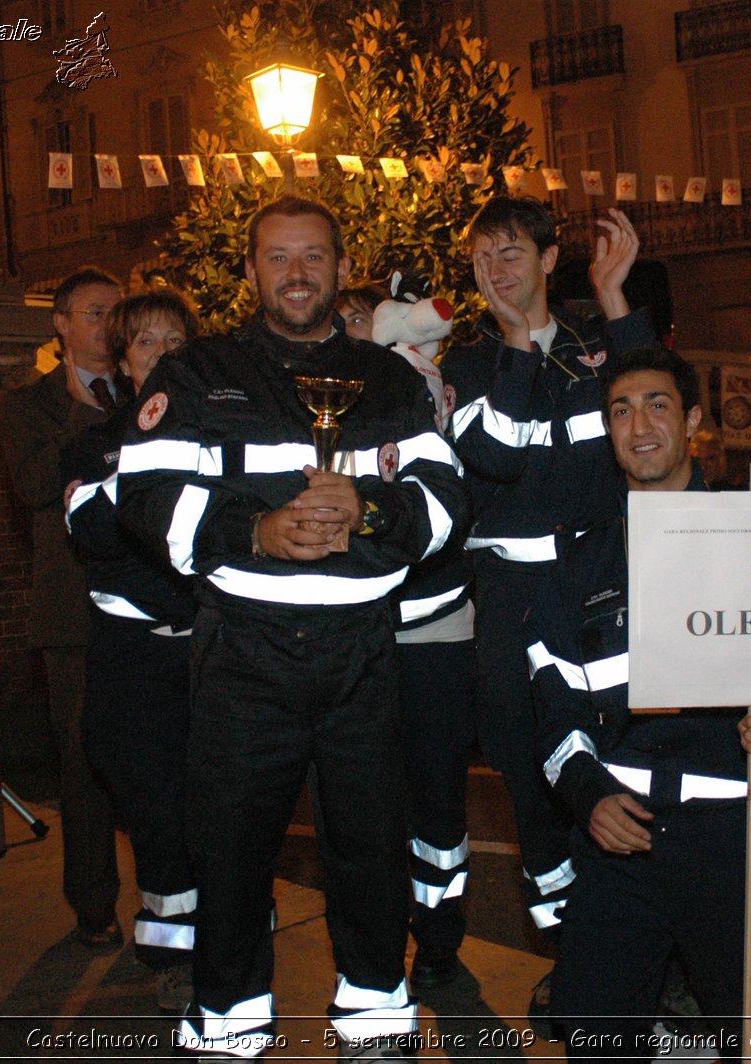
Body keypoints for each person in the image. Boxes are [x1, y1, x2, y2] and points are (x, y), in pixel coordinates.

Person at [117, 196, 468, 1057]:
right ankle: (231, 1022)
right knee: (231, 849)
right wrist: (254, 532)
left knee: (371, 845)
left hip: (361, 651)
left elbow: (448, 501)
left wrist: (374, 510)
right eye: (278, 257)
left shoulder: (389, 380)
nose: (297, 273)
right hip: (244, 648)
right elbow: (144, 495)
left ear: (344, 269)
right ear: (250, 272)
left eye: (314, 256)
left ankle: (376, 1013)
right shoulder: (196, 375)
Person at [527, 345, 751, 1059]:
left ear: (692, 418)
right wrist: (587, 793)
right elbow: (553, 701)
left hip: (740, 833)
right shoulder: (578, 558)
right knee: (593, 1032)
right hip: (619, 838)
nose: (639, 425)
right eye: (621, 410)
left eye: (657, 404)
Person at [439, 198, 653, 1006]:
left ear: (548, 256)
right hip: (511, 599)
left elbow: (657, 409)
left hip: (608, 590)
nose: (496, 270)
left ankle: (631, 951)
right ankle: (572, 956)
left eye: (510, 252)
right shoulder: (463, 364)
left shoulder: (602, 340)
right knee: (534, 781)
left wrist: (616, 298)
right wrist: (521, 351)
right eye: (482, 258)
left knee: (621, 764)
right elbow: (490, 457)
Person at [62, 289, 201, 1011]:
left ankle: (234, 943)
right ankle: (175, 957)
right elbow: (95, 536)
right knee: (156, 815)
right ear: (122, 358)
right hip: (134, 659)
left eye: (176, 341)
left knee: (225, 809)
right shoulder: (96, 443)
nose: (163, 355)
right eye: (146, 342)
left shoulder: (222, 435)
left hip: (214, 655)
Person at [338, 285, 477, 990]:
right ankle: (376, 946)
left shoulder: (416, 387)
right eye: (338, 325)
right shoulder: (316, 408)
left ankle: (440, 937)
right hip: (355, 636)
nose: (349, 334)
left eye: (359, 319)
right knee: (363, 805)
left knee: (436, 802)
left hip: (433, 632)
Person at [0, 266, 126, 950]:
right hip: (73, 611)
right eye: (93, 313)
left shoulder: (148, 391)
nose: (107, 326)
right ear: (62, 324)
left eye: (116, 312)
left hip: (149, 605)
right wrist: (87, 412)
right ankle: (93, 905)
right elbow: (31, 485)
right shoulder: (30, 406)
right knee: (83, 763)